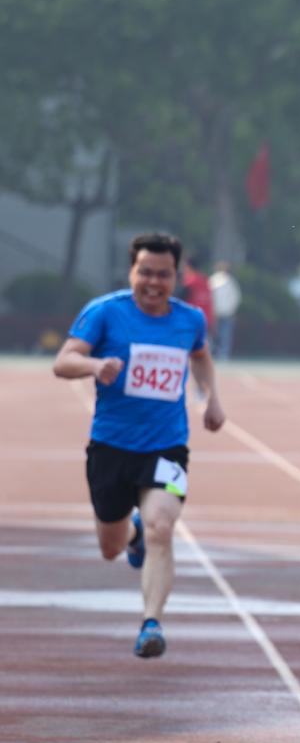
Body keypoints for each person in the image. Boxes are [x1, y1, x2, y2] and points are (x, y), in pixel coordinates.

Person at [51, 232, 226, 658]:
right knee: (110, 547)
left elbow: (200, 356)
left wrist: (211, 398)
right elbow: (63, 361)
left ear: (176, 276)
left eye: (163, 275)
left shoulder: (190, 320)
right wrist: (96, 365)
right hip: (111, 448)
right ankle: (131, 536)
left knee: (161, 527)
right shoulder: (105, 312)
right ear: (132, 271)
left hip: (167, 448)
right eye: (145, 272)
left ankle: (152, 623)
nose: (153, 282)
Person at [208, 261, 241, 360]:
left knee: (218, 334)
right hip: (223, 312)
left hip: (219, 312)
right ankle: (221, 353)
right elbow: (236, 297)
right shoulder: (228, 280)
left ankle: (217, 353)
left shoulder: (213, 280)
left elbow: (235, 297)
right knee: (222, 334)